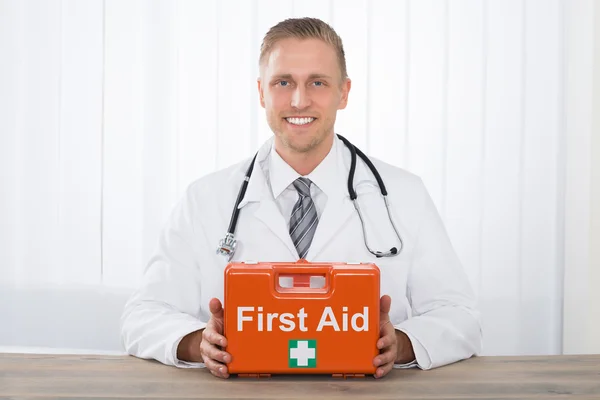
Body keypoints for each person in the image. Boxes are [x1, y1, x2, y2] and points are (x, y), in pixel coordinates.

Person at [120, 17, 482, 379]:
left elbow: (461, 317)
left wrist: (400, 344)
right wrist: (198, 342)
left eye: (318, 82)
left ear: (344, 92)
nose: (299, 100)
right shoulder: (205, 199)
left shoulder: (405, 195)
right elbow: (143, 315)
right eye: (283, 82)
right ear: (261, 92)